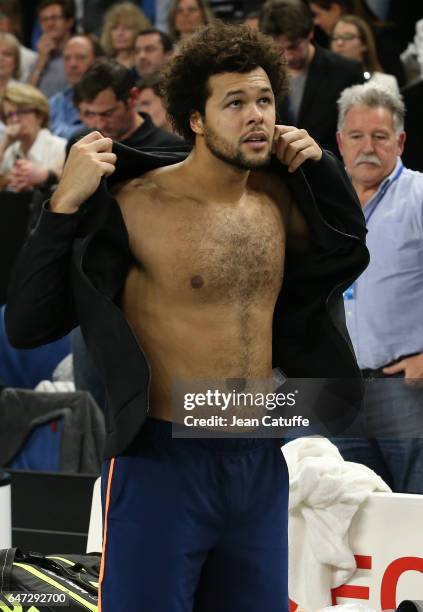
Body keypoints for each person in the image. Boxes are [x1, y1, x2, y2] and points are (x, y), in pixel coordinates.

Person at [5, 23, 368, 611]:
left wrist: (322, 166)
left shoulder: (278, 199)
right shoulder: (136, 202)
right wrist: (63, 204)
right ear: (195, 119)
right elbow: (28, 321)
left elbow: (351, 250)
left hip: (258, 456)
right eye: (234, 103)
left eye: (264, 100)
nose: (255, 116)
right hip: (162, 462)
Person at [336, 83, 423, 494]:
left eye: (379, 136)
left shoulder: (419, 196)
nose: (366, 147)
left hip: (405, 388)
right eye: (356, 136)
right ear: (340, 141)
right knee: (349, 523)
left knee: (414, 517)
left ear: (400, 141)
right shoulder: (326, 205)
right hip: (337, 393)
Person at [260, 0, 364, 156]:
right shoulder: (262, 75)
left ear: (310, 33)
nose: (288, 56)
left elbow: (357, 133)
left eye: (294, 46)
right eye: (279, 49)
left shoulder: (346, 72)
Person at [0, 83, 66, 192]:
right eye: (9, 115)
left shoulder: (60, 147)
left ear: (39, 115)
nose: (15, 120)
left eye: (21, 112)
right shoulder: (10, 150)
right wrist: (5, 142)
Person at [49, 34, 105, 139]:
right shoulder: (56, 101)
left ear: (97, 61)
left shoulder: (107, 100)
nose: (73, 64)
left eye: (80, 57)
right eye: (67, 58)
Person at [330, 14, 398, 91]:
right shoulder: (325, 84)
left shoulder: (384, 82)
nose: (339, 43)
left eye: (348, 36)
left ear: (364, 44)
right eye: (335, 37)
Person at [28, 0, 76, 98]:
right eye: (44, 19)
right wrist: (40, 62)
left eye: (55, 18)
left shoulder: (81, 54)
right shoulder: (38, 59)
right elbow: (27, 96)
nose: (50, 24)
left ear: (69, 22)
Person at [100, 2, 150, 69]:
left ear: (139, 30)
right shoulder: (102, 66)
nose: (119, 33)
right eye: (114, 28)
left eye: (127, 28)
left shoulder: (146, 66)